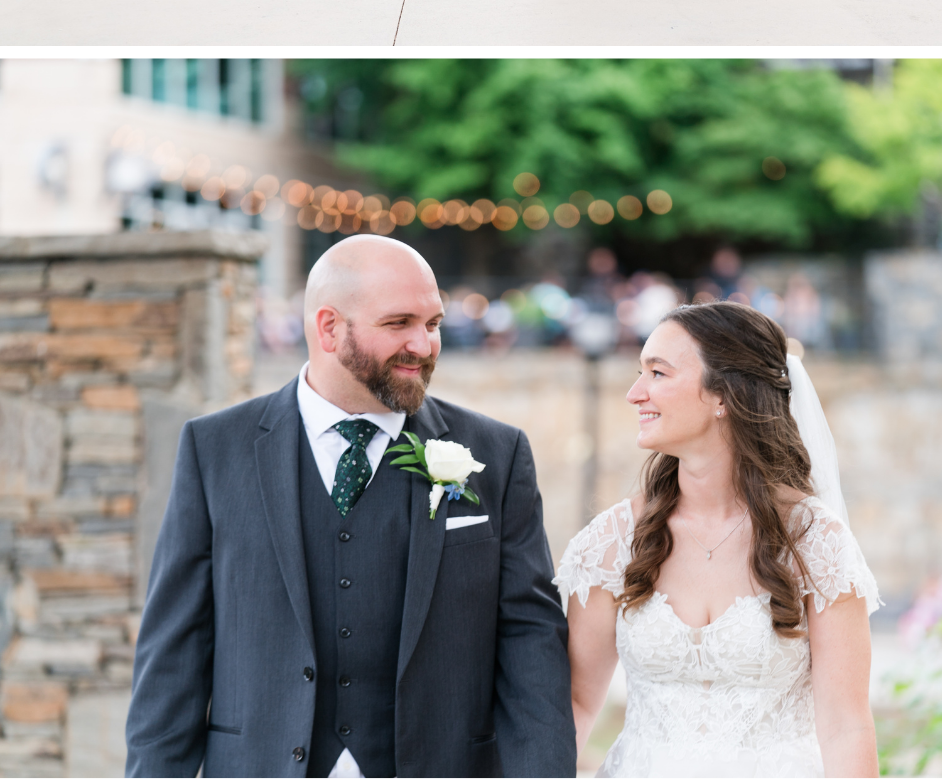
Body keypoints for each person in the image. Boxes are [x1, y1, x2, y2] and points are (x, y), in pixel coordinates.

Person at [125, 235, 575, 779]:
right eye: (398, 323)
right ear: (329, 327)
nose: (424, 344)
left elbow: (531, 646)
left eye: (432, 324)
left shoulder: (496, 456)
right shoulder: (215, 450)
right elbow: (174, 652)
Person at [557, 301, 880, 777]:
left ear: (722, 396)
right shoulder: (611, 541)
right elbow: (577, 704)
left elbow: (845, 725)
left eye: (658, 373)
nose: (634, 393)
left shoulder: (815, 542)